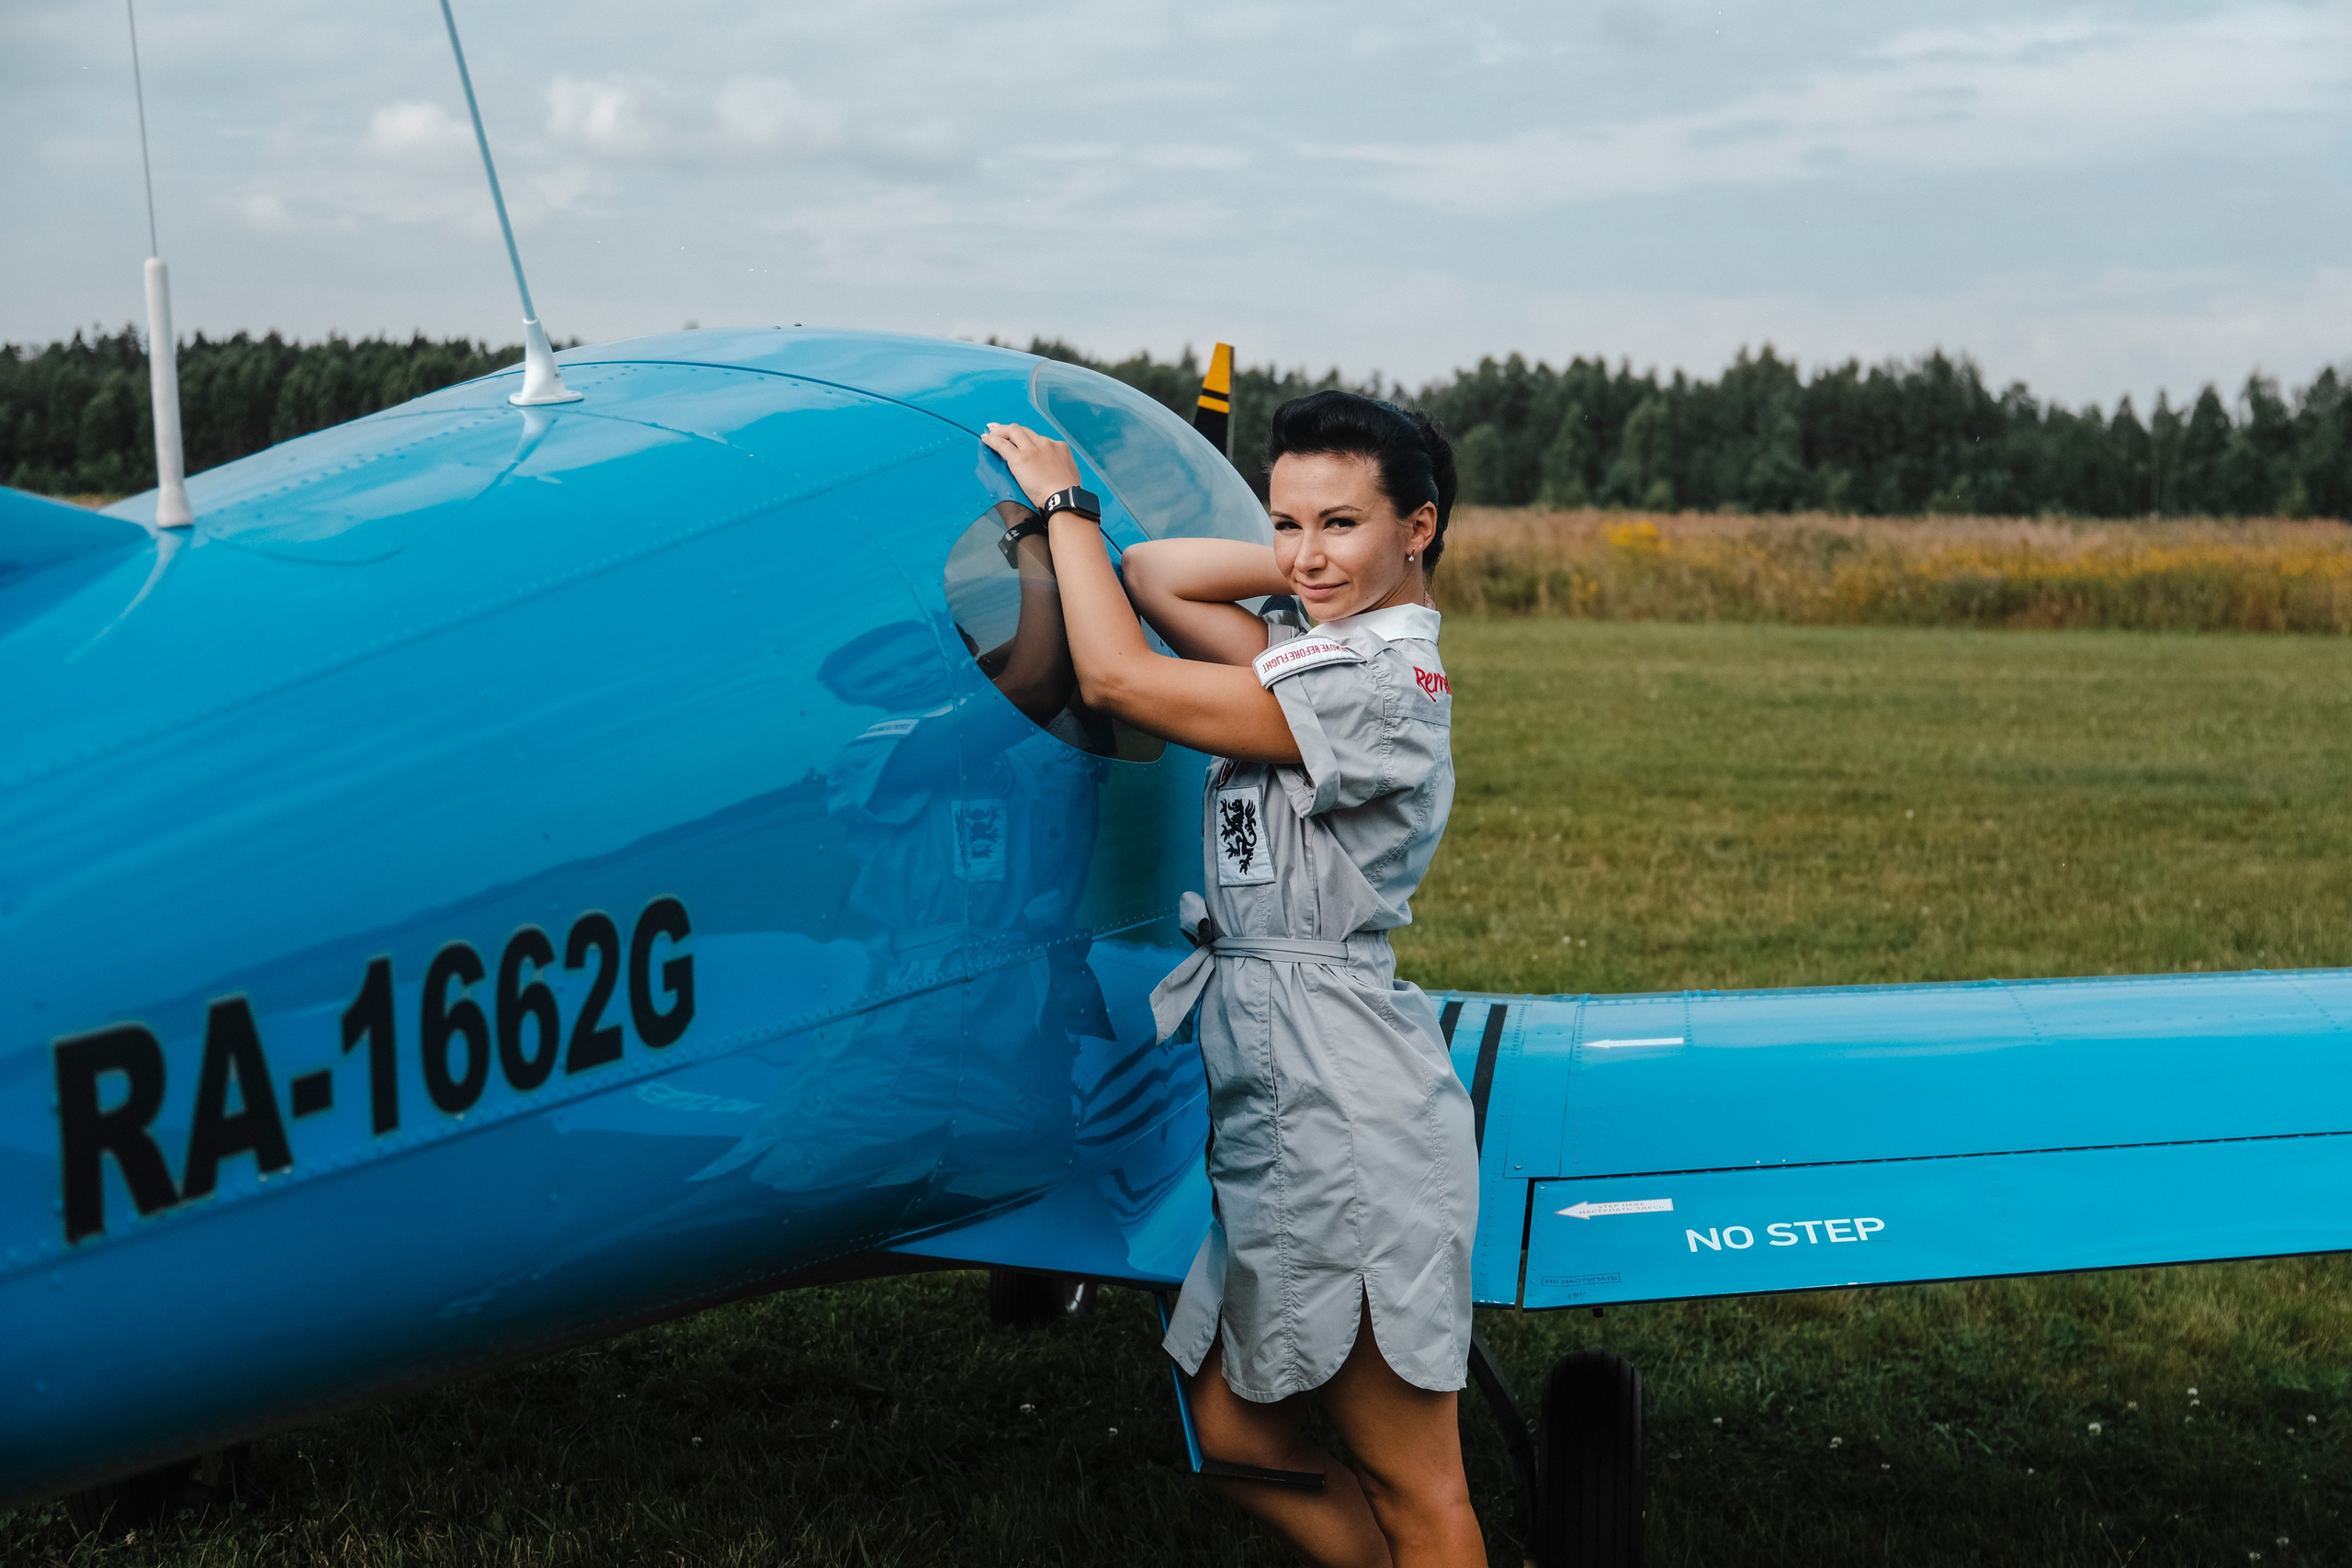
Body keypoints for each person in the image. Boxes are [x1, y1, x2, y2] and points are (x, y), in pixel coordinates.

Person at [983, 391, 1483, 1568]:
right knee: (1231, 1422)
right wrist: (1317, 557)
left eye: (1343, 524)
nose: (1304, 554)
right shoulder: (1321, 649)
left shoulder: (1372, 690)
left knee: (1419, 1488)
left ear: (1420, 526)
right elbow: (1157, 575)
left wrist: (1064, 506)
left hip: (1346, 1101)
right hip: (1278, 1083)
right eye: (1287, 521)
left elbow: (1114, 674)